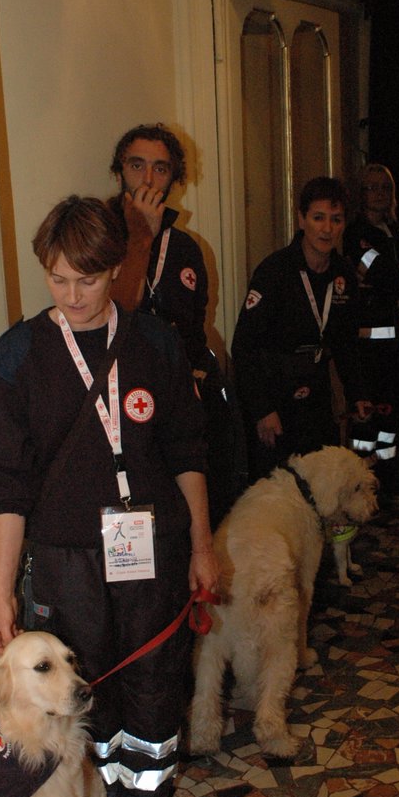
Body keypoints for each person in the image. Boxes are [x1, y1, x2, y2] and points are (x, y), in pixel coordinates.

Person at [0, 196, 218, 797]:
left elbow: (187, 451)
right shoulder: (18, 356)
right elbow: (9, 484)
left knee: (153, 678)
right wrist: (3, 593)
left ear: (116, 268)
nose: (73, 294)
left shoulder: (155, 344)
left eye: (87, 279)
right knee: (86, 684)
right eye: (58, 279)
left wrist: (202, 547)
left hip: (153, 547)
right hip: (65, 558)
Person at [108, 123, 241, 525]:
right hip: (121, 400)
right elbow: (114, 311)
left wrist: (199, 379)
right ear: (119, 173)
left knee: (193, 509)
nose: (148, 179)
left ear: (175, 180)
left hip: (179, 399)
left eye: (161, 169)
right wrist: (140, 238)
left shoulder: (186, 248)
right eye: (137, 165)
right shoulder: (99, 233)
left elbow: (194, 326)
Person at [232, 176, 368, 480]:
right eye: (318, 218)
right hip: (275, 395)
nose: (327, 228)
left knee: (322, 482)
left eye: (336, 219)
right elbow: (243, 347)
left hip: (318, 395)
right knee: (276, 489)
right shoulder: (274, 272)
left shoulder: (343, 274)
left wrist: (357, 392)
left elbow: (346, 343)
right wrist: (262, 409)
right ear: (301, 219)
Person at [343, 163, 399, 490]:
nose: (379, 193)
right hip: (371, 349)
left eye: (384, 187)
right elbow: (387, 274)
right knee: (367, 417)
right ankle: (360, 479)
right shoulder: (356, 235)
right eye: (372, 187)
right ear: (361, 194)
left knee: (392, 415)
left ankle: (389, 472)